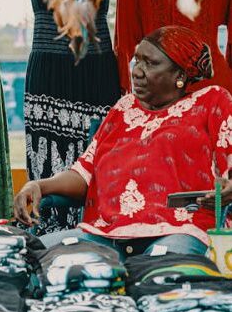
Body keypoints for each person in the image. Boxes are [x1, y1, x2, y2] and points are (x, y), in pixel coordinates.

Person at [14, 26, 232, 258]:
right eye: (137, 61)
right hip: (103, 234)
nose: (137, 71)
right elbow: (84, 174)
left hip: (179, 230)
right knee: (25, 255)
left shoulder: (212, 101)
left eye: (150, 63)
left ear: (179, 75)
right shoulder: (123, 108)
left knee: (163, 279)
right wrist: (38, 185)